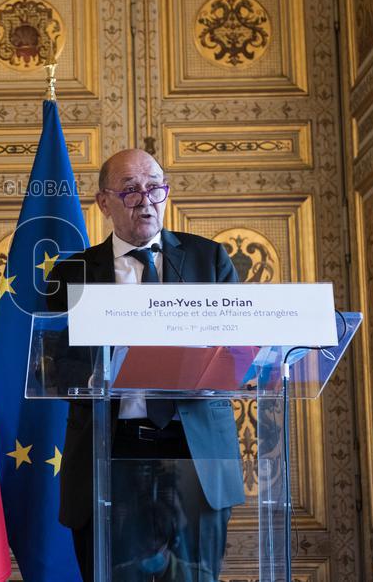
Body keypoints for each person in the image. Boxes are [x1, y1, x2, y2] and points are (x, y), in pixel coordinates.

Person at [47, 148, 245, 581]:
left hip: (195, 453)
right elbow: (53, 367)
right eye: (131, 190)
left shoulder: (208, 259)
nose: (146, 200)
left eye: (155, 188)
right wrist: (108, 370)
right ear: (104, 202)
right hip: (110, 449)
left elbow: (238, 352)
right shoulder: (71, 273)